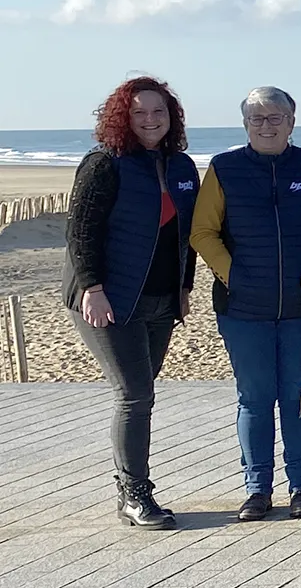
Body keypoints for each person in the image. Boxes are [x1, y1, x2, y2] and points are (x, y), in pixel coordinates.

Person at [192, 86, 301, 522]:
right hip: (243, 309)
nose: (266, 125)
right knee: (255, 399)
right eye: (257, 118)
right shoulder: (224, 168)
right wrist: (235, 276)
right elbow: (202, 232)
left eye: (275, 117)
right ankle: (257, 489)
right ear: (245, 124)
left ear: (291, 122)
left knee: (299, 397)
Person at [66, 76, 200, 530]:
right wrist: (92, 288)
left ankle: (129, 489)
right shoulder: (104, 163)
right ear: (123, 117)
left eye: (158, 111)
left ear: (171, 117)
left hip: (161, 299)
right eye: (139, 112)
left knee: (141, 393)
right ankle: (135, 494)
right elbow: (80, 230)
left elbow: (187, 235)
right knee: (134, 394)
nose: (150, 119)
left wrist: (184, 288)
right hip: (110, 298)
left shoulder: (181, 166)